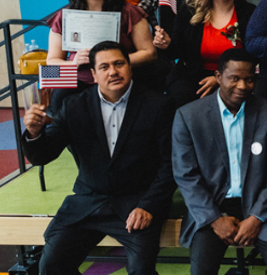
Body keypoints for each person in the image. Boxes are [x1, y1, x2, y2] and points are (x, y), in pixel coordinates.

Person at [21, 41, 176, 275]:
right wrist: (34, 133)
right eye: (104, 67)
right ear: (93, 74)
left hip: (137, 205)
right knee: (51, 266)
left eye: (119, 64)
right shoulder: (73, 106)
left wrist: (149, 205)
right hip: (88, 203)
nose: (113, 71)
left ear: (130, 67)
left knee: (141, 271)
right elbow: (43, 155)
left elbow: (170, 165)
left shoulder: (158, 105)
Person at [172, 49, 267, 275]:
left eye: (249, 80)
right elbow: (185, 176)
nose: (242, 86)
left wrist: (256, 217)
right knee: (201, 270)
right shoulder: (188, 117)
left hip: (260, 205)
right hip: (213, 206)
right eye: (234, 78)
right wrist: (215, 219)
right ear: (218, 77)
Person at [45, 0, 156, 111]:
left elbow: (149, 53)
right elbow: (52, 61)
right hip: (79, 79)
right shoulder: (64, 16)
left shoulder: (129, 12)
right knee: (59, 106)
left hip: (119, 79)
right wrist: (73, 64)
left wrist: (116, 61)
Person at [153, 0, 255, 106]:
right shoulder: (190, 10)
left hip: (237, 76)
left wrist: (219, 80)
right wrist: (166, 44)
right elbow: (177, 52)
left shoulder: (250, 13)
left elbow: (254, 55)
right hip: (195, 74)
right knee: (181, 94)